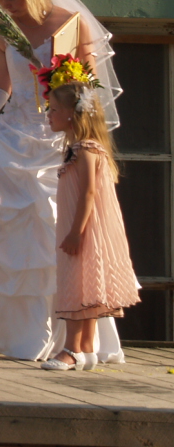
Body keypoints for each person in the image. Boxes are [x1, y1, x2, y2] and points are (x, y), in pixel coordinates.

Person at [0, 0, 122, 361]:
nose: (7, 7)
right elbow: (1, 85)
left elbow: (87, 90)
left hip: (55, 138)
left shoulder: (68, 23)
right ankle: (13, 333)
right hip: (12, 134)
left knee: (53, 231)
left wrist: (65, 96)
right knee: (3, 230)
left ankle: (70, 340)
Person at [40, 64, 140, 370]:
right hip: (80, 228)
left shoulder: (85, 150)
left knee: (76, 284)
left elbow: (88, 194)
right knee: (86, 286)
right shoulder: (78, 148)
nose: (49, 115)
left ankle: (71, 349)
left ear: (72, 114)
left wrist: (75, 232)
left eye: (54, 109)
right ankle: (85, 349)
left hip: (82, 229)